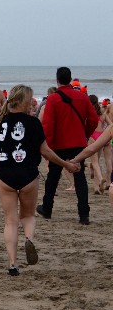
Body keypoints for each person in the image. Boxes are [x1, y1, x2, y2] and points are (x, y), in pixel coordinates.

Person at [0, 86, 78, 275]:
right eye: (31, 99)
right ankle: (29, 238)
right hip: (28, 174)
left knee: (10, 221)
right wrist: (65, 164)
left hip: (6, 174)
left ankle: (13, 264)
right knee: (28, 215)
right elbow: (45, 151)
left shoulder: (1, 123)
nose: (33, 102)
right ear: (24, 101)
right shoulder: (33, 123)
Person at [38, 67, 99, 224]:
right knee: (80, 178)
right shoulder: (82, 97)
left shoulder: (53, 99)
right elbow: (93, 119)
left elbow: (48, 125)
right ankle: (84, 214)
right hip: (78, 142)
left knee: (53, 177)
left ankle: (47, 208)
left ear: (57, 80)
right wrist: (84, 134)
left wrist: (48, 145)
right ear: (70, 79)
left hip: (58, 143)